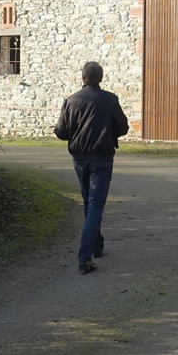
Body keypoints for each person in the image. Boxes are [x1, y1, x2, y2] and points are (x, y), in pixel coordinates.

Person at [53, 61, 129, 274]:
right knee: (95, 205)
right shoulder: (110, 100)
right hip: (102, 157)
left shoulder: (70, 101)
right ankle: (85, 257)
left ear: (83, 78)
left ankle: (96, 246)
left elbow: (61, 132)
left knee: (89, 203)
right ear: (100, 78)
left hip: (79, 158)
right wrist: (108, 131)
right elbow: (123, 127)